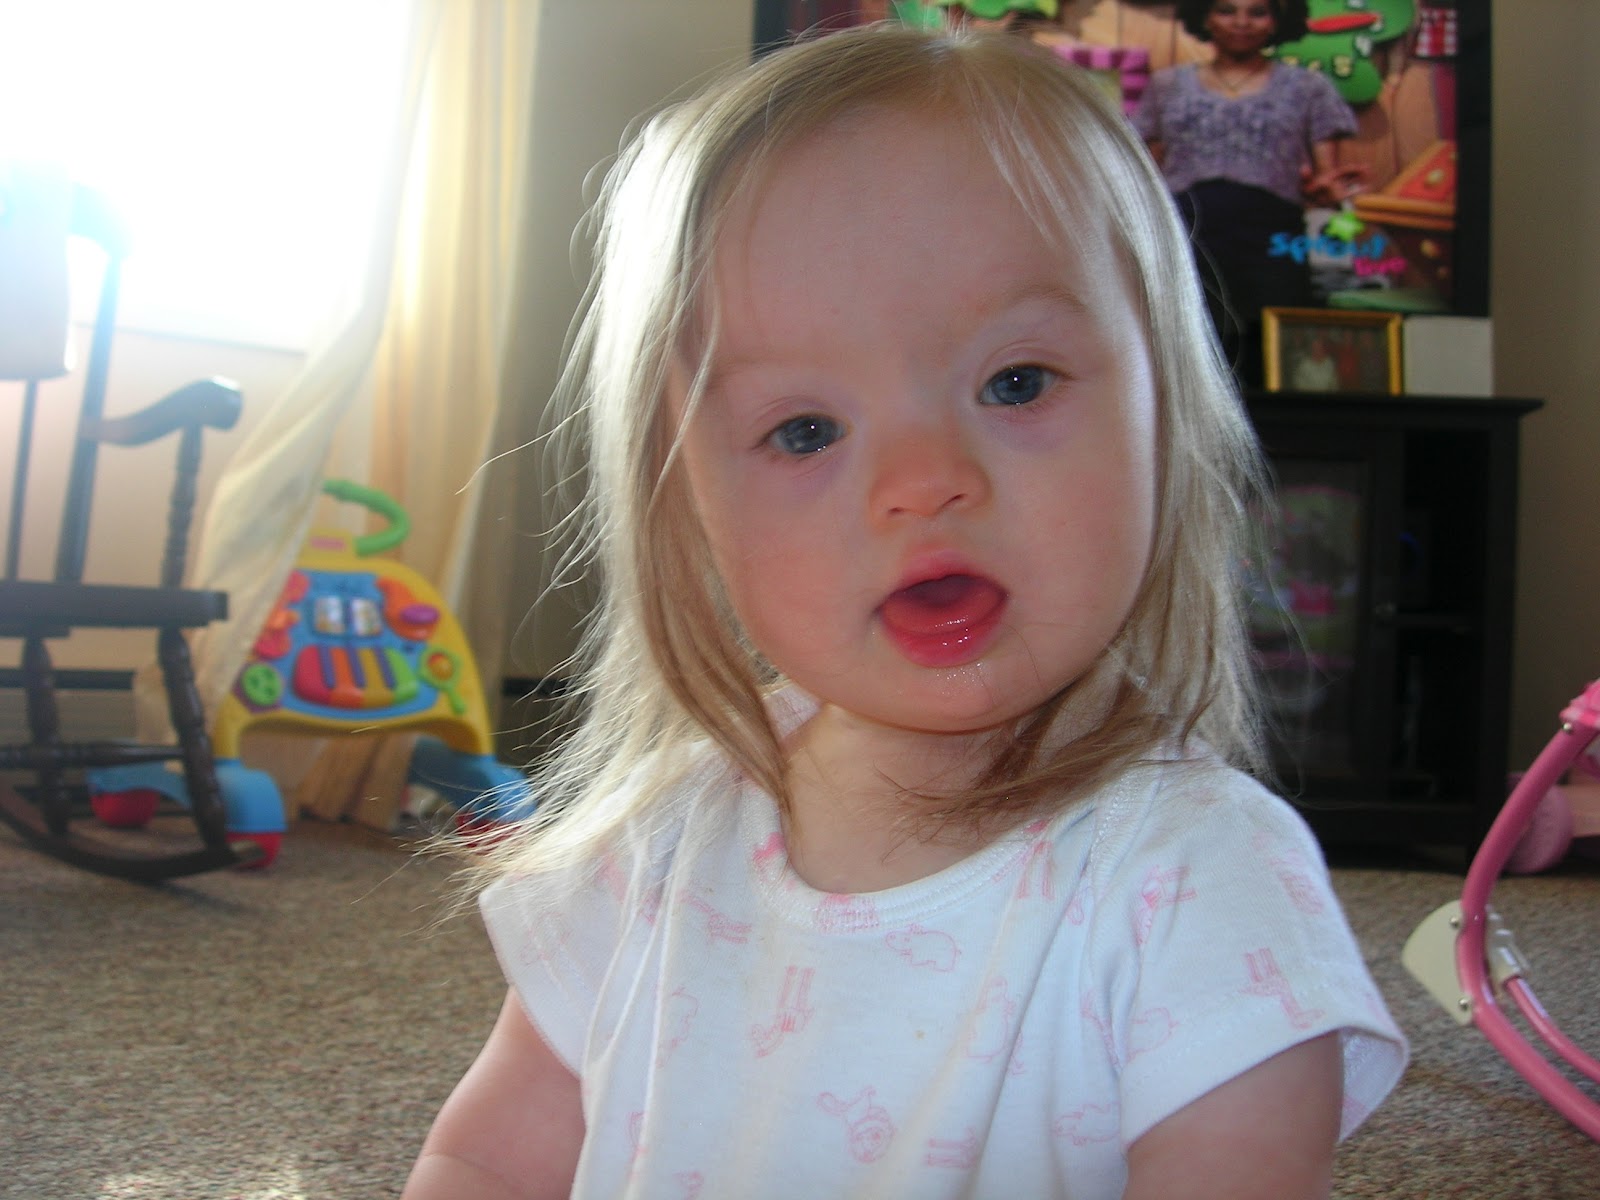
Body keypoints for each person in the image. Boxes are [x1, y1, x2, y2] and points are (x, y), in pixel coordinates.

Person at [402, 24, 1406, 1200]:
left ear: (1161, 414)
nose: (923, 482)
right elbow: (486, 1157)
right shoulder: (654, 843)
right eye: (805, 430)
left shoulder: (1201, 882)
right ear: (690, 508)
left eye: (1014, 383)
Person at [1133, 0, 1364, 382]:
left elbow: (1328, 175)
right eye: (1226, 10)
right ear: (1205, 17)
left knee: (1270, 360)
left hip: (1270, 241)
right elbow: (1146, 171)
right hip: (1187, 237)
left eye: (1257, 12)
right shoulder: (1167, 85)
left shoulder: (1308, 88)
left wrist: (1327, 192)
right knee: (1189, 358)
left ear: (1277, 21)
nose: (1242, 22)